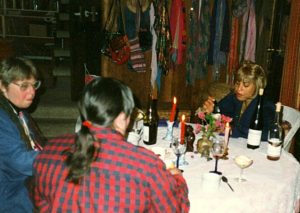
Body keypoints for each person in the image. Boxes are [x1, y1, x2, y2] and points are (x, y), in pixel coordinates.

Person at [33, 77, 190, 212]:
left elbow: (41, 204)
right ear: (123, 116)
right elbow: (175, 209)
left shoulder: (48, 151)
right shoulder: (145, 165)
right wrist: (177, 178)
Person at [0, 57, 45, 212]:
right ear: (3, 86)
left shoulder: (19, 112)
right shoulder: (1, 118)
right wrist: (57, 159)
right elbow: (20, 161)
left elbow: (37, 144)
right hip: (11, 194)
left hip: (23, 183)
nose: (32, 92)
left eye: (34, 85)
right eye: (24, 86)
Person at [203, 60, 275, 141]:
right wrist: (210, 113)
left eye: (245, 85)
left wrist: (233, 131)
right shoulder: (234, 98)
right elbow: (219, 116)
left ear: (257, 86)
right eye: (237, 83)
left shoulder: (266, 106)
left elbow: (269, 134)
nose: (239, 89)